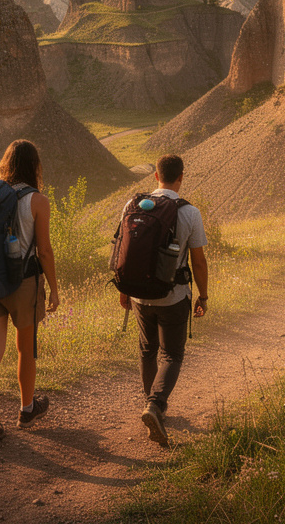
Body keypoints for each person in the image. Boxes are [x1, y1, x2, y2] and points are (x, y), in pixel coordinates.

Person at [118, 154, 209, 447]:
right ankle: (155, 406)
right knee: (171, 354)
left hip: (138, 296)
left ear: (155, 177)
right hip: (173, 296)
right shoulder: (189, 212)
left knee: (147, 350)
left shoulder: (132, 205)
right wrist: (203, 296)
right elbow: (199, 261)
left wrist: (124, 290)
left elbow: (124, 251)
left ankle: (152, 404)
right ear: (181, 177)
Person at [0, 139, 61, 448]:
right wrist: (53, 287)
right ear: (34, 166)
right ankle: (27, 410)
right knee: (25, 348)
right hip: (23, 283)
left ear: (6, 162)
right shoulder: (37, 200)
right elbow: (45, 251)